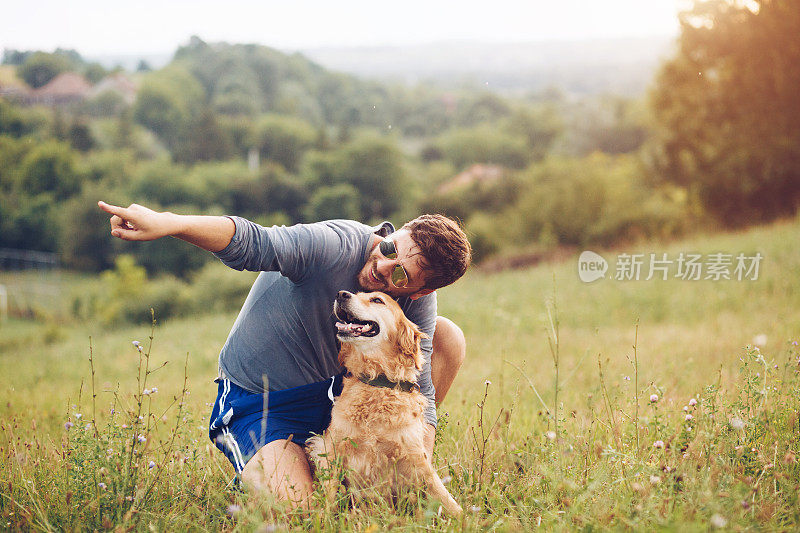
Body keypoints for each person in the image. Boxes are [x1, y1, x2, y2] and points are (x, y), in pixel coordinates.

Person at [97, 200, 471, 507]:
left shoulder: (417, 303)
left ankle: (370, 468)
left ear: (419, 291)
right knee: (302, 512)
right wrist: (169, 223)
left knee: (447, 337)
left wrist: (416, 468)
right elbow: (254, 242)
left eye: (401, 276)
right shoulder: (333, 244)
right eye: (390, 249)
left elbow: (417, 392)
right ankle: (259, 474)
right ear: (394, 233)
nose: (383, 266)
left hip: (337, 399)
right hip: (260, 400)